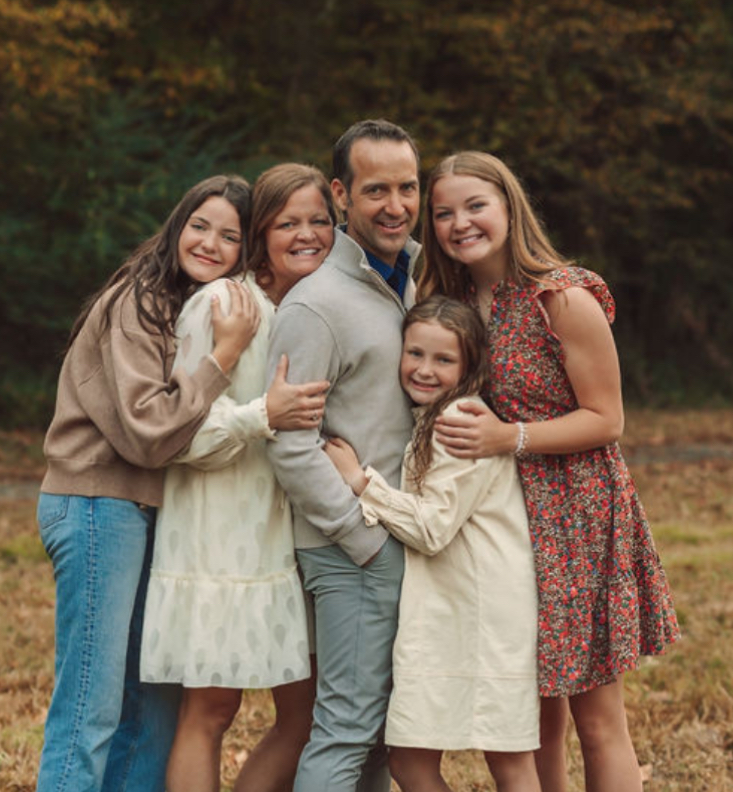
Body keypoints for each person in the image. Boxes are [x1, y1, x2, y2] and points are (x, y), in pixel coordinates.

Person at [418, 151, 681, 792]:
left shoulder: (559, 298)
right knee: (529, 713)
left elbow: (607, 419)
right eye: (444, 213)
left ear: (509, 207)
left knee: (597, 718)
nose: (460, 223)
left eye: (475, 206)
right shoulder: (450, 302)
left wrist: (509, 437)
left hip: (574, 515)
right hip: (501, 521)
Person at [36, 174, 259, 792]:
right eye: (199, 225)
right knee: (92, 701)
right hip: (96, 503)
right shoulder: (137, 301)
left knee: (153, 705)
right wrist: (223, 357)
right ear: (176, 226)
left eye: (230, 236)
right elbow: (148, 432)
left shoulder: (188, 305)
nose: (210, 243)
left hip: (145, 510)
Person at [139, 163, 335, 792]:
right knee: (212, 711)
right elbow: (180, 435)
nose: (306, 235)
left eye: (319, 221)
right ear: (262, 234)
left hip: (283, 546)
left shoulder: (311, 306)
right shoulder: (223, 303)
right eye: (287, 223)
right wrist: (262, 415)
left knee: (306, 715)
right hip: (217, 541)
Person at [324, 295, 542, 792]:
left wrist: (361, 482)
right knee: (410, 760)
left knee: (506, 758)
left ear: (468, 366)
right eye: (415, 353)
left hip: (482, 613)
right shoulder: (430, 416)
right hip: (448, 609)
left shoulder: (460, 419)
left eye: (444, 359)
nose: (425, 369)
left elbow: (432, 529)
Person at [265, 119, 422, 792]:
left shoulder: (414, 278)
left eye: (407, 187)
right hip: (351, 549)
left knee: (385, 733)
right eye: (376, 189)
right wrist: (363, 539)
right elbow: (289, 443)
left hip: (408, 535)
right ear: (340, 195)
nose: (396, 205)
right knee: (346, 729)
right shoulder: (317, 305)